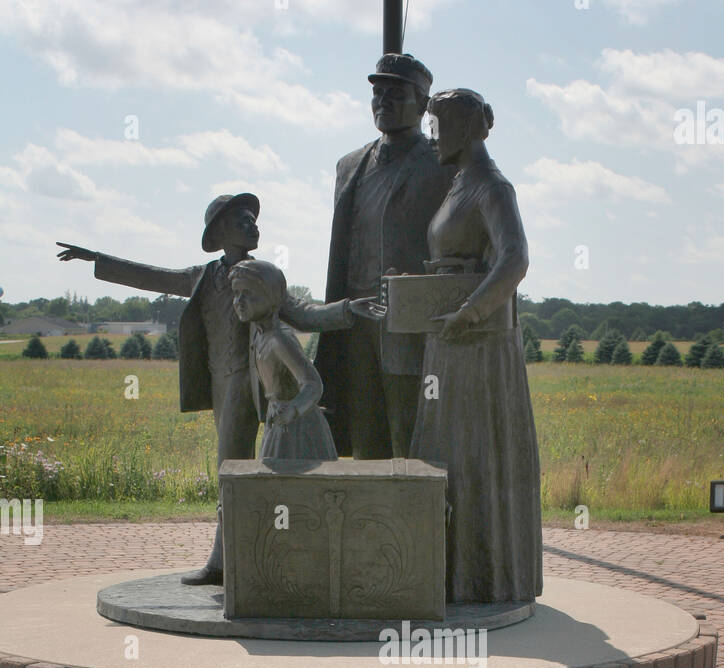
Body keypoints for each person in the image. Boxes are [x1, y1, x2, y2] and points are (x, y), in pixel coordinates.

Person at [57, 195, 380, 582]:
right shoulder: (205, 276)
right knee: (231, 469)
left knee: (261, 469)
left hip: (264, 385)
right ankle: (229, 560)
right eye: (244, 220)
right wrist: (97, 260)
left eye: (253, 220)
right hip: (224, 386)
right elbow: (154, 276)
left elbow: (304, 313)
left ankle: (249, 562)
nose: (254, 226)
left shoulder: (263, 277)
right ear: (221, 231)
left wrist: (346, 310)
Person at [409, 89, 543, 605]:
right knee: (449, 453)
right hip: (449, 342)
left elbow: (515, 259)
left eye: (438, 123)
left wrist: (470, 312)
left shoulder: (492, 186)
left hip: (477, 346)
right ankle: (451, 573)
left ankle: (484, 578)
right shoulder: (459, 184)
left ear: (466, 129)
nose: (431, 134)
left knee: (475, 452)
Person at [315, 53, 453, 459]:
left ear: (423, 103)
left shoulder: (442, 162)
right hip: (355, 315)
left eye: (396, 93)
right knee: (363, 429)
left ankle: (414, 516)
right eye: (377, 93)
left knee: (410, 429)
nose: (383, 102)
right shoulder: (350, 165)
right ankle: (367, 519)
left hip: (410, 320)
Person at [230, 259, 346, 463]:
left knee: (295, 482)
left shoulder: (279, 339)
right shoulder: (260, 336)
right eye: (236, 293)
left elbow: (313, 384)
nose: (239, 300)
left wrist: (293, 409)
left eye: (248, 293)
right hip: (279, 419)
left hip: (299, 427)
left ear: (272, 297)